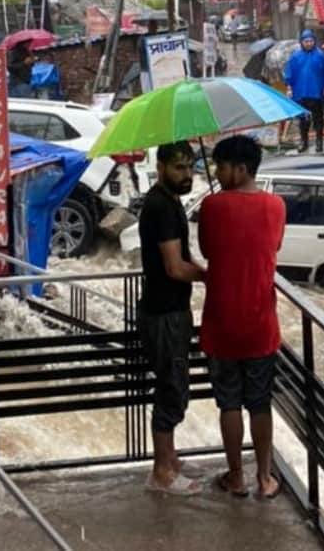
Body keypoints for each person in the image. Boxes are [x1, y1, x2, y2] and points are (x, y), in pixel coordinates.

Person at [197, 136, 287, 500]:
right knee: (260, 402)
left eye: (221, 167)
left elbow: (205, 250)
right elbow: (275, 246)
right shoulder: (276, 206)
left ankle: (236, 476)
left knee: (229, 403)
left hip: (221, 322)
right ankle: (264, 478)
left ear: (241, 169)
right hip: (261, 324)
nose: (217, 173)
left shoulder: (211, 207)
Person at [137, 142, 207, 495]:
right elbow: (175, 267)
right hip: (164, 314)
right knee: (172, 390)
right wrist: (210, 276)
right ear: (161, 166)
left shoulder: (168, 201)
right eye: (178, 168)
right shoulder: (161, 207)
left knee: (173, 384)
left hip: (167, 310)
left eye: (190, 167)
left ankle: (170, 458)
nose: (186, 174)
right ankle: (162, 472)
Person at [284, 30, 324, 154]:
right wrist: (289, 87)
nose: (308, 43)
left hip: (317, 93)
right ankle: (304, 141)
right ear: (301, 42)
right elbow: (289, 73)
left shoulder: (321, 56)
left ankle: (319, 142)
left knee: (319, 119)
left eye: (311, 41)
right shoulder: (295, 56)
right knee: (303, 120)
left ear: (314, 41)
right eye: (306, 41)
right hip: (300, 93)